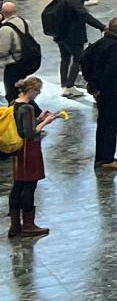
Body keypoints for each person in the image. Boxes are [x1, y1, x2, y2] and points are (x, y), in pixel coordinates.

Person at [5, 76, 57, 238]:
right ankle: (28, 225)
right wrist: (46, 122)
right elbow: (30, 133)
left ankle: (15, 226)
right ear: (31, 90)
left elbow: (22, 126)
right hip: (29, 150)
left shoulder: (14, 103)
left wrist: (38, 119)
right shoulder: (27, 108)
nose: (38, 94)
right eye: (37, 91)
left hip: (17, 150)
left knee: (18, 185)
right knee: (29, 185)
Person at [80, 16, 117, 171]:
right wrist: (100, 83)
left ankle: (101, 157)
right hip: (112, 89)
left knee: (103, 124)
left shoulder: (101, 42)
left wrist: (92, 82)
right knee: (111, 124)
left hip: (102, 89)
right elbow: (112, 69)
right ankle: (107, 158)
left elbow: (84, 58)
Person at [47, 0, 105, 98]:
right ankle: (70, 86)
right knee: (79, 59)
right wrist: (102, 27)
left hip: (60, 36)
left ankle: (64, 85)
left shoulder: (60, 0)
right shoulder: (74, 1)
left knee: (65, 59)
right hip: (73, 36)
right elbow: (85, 16)